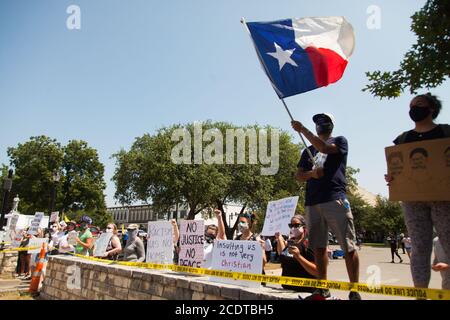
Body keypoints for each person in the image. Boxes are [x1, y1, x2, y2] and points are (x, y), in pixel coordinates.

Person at [292, 113, 361, 300]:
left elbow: (323, 147)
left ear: (331, 125)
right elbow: (299, 175)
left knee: (347, 246)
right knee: (319, 247)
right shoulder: (307, 151)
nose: (321, 125)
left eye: (324, 122)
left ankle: (354, 290)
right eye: (317, 123)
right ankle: (322, 288)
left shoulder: (339, 141)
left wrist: (302, 130)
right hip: (313, 202)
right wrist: (311, 175)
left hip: (334, 198)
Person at [385, 93, 450, 289]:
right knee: (420, 247)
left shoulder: (446, 133)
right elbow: (398, 167)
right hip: (413, 200)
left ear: (431, 109)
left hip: (444, 198)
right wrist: (393, 179)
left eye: (419, 104)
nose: (413, 108)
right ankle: (420, 292)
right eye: (411, 105)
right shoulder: (403, 139)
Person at [274, 215, 318, 293]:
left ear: (304, 226)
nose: (293, 228)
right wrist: (279, 239)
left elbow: (316, 270)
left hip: (305, 291)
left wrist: (298, 256)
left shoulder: (310, 243)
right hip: (287, 289)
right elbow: (282, 255)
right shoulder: (291, 241)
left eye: (296, 225)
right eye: (291, 225)